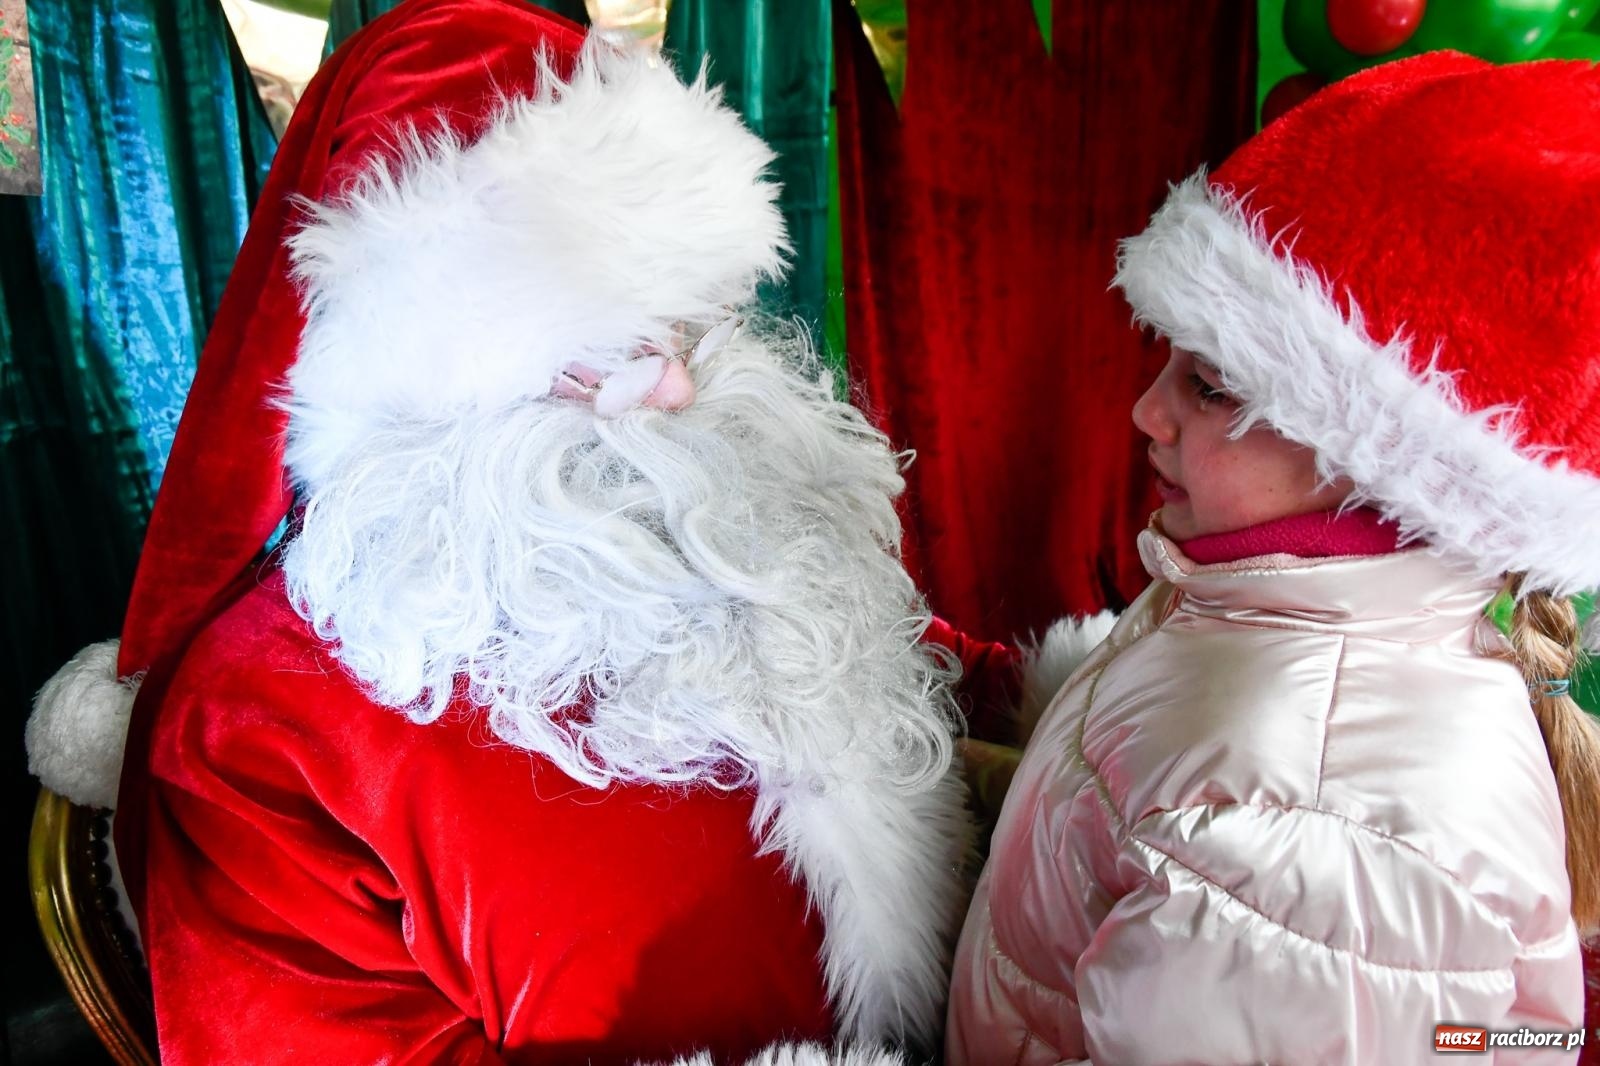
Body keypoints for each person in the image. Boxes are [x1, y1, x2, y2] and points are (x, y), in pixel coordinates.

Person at [25, 1, 975, 1062]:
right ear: (435, 373)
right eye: (600, 347)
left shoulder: (722, 514)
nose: (671, 382)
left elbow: (907, 666)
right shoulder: (261, 730)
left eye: (683, 322)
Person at [945, 52, 1600, 1065]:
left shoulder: (1314, 828)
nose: (1145, 411)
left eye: (1206, 386)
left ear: (1386, 456)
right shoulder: (1258, 607)